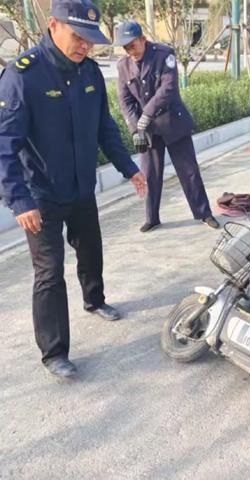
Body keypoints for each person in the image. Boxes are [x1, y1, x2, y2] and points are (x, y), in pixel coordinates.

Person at [0, 0, 147, 378]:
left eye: (90, 40)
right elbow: (5, 146)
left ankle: (94, 300)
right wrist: (19, 201)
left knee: (90, 249)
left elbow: (105, 129)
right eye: (78, 37)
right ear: (53, 25)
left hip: (82, 187)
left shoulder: (91, 74)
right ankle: (54, 353)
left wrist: (129, 168)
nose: (85, 46)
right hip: (42, 197)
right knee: (49, 273)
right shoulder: (24, 75)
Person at [115, 21, 219, 232]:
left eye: (132, 45)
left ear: (143, 39)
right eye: (125, 47)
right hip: (148, 129)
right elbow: (125, 101)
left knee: (188, 171)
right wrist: (136, 128)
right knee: (149, 174)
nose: (130, 51)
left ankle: (204, 213)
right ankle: (152, 218)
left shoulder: (164, 55)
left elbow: (168, 88)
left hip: (173, 123)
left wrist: (146, 114)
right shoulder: (123, 65)